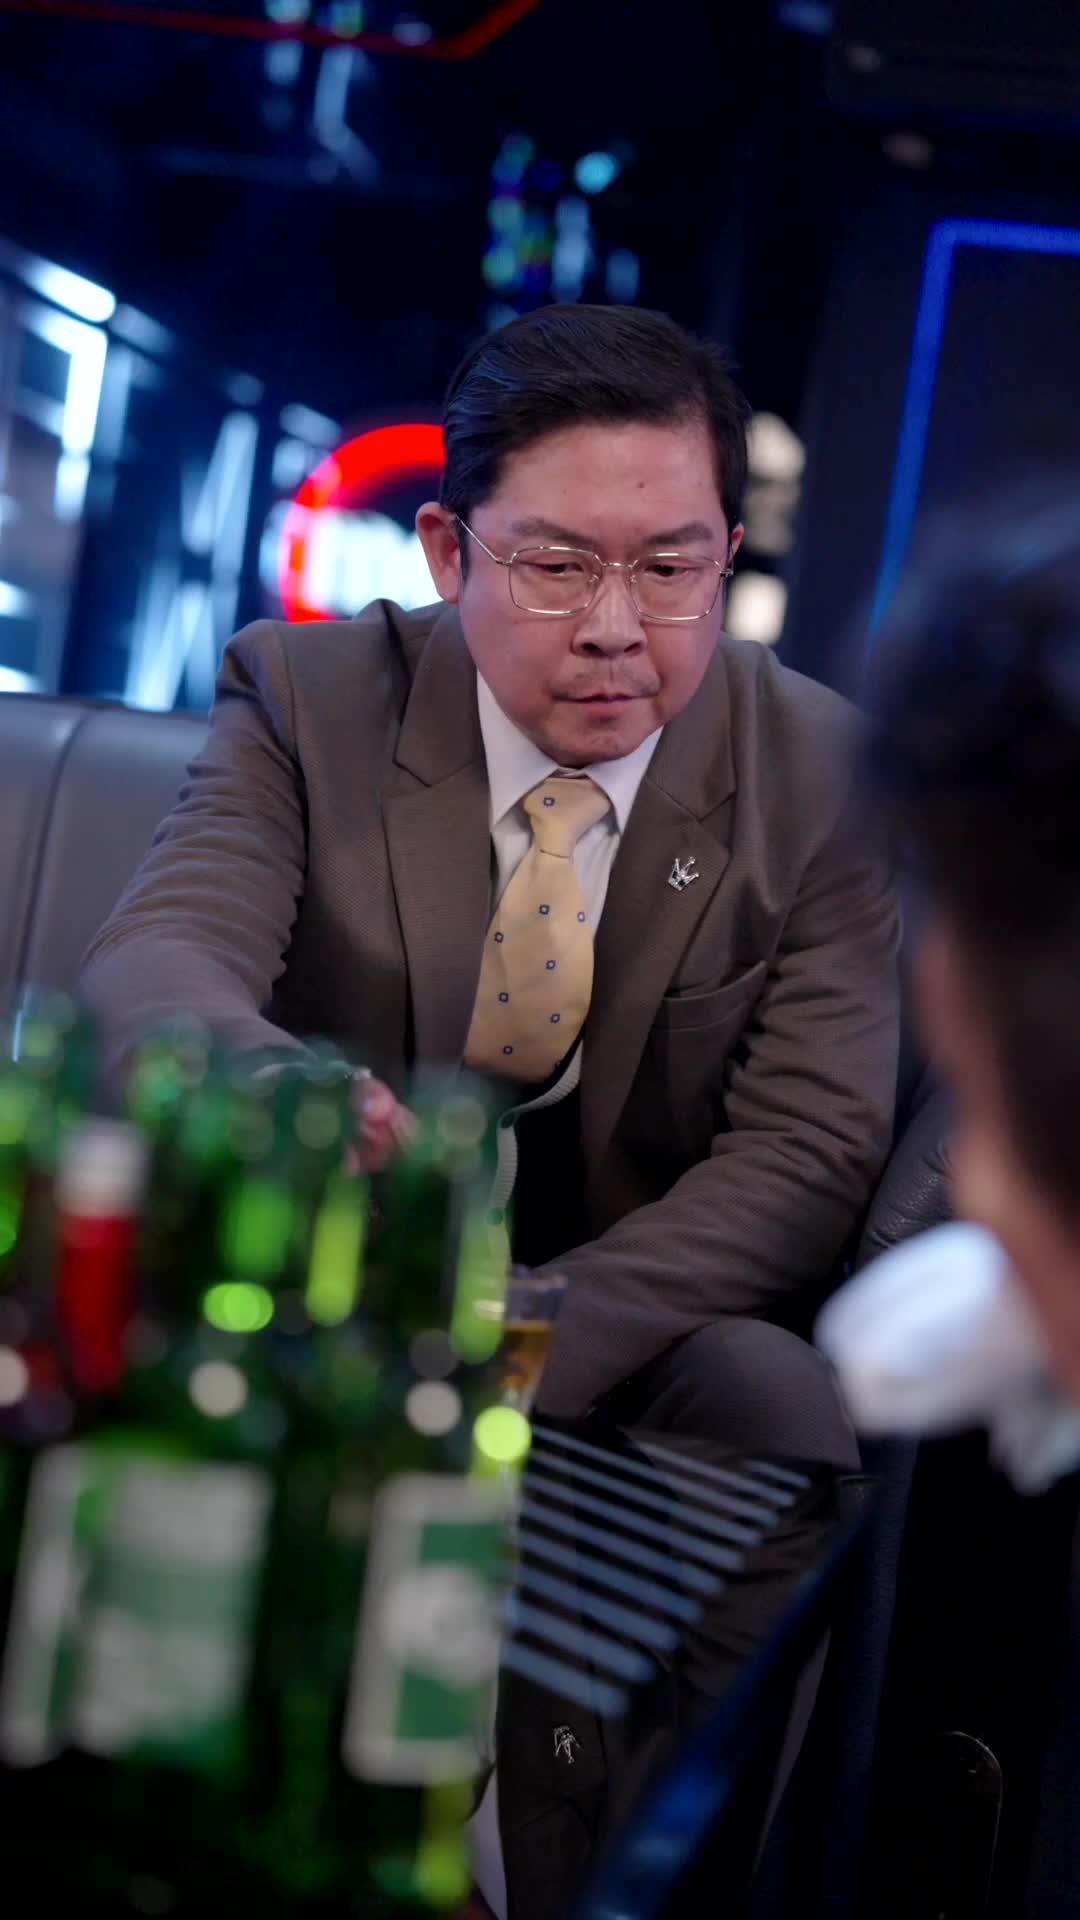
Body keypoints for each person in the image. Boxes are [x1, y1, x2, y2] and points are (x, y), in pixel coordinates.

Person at [80, 303, 900, 1911]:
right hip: (332, 1283)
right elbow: (158, 963)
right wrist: (291, 1094)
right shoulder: (309, 697)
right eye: (557, 567)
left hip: (630, 1317)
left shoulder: (819, 774)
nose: (618, 629)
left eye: (671, 569)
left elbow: (809, 1152)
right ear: (451, 551)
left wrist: (512, 1346)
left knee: (777, 1401)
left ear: (728, 556)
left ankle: (634, 1875)